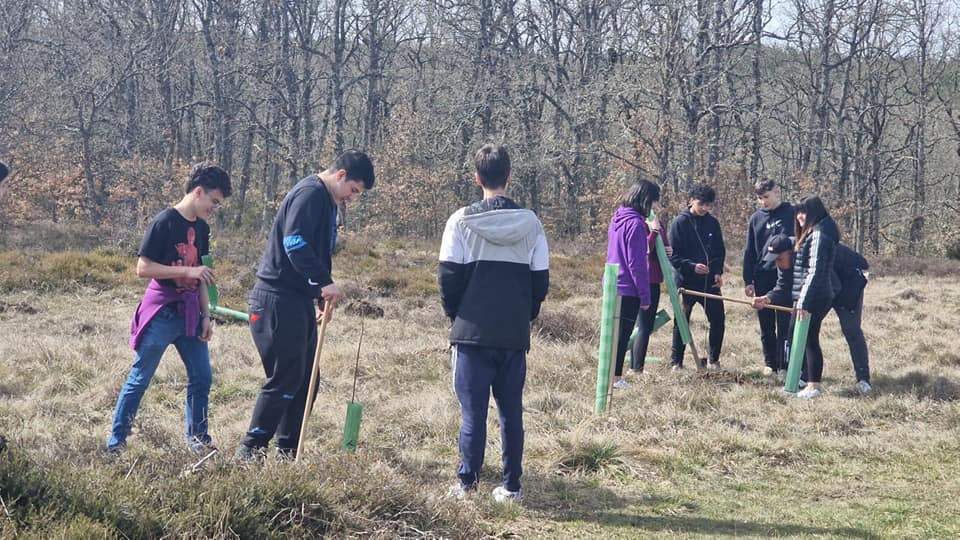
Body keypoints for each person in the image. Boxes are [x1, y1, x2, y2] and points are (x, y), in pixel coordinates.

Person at [237, 150, 374, 461]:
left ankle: (287, 452)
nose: (352, 198)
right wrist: (324, 282)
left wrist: (316, 296)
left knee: (307, 378)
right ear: (341, 175)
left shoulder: (327, 202)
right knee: (286, 376)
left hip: (297, 300)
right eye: (353, 190)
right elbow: (294, 243)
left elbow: (309, 250)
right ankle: (250, 450)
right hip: (275, 298)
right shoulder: (310, 193)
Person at [438, 144, 549, 503]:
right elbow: (540, 282)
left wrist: (456, 317)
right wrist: (524, 316)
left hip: (471, 334)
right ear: (509, 177)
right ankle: (512, 487)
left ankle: (467, 484)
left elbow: (448, 278)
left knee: (473, 413)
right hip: (513, 334)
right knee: (511, 413)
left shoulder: (459, 221)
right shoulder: (531, 223)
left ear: (476, 178)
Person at [107, 162, 232, 453]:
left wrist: (206, 316)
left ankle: (199, 443)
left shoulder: (202, 228)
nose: (215, 207)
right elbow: (143, 267)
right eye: (213, 201)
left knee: (202, 377)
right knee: (140, 378)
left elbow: (202, 274)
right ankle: (116, 444)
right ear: (198, 192)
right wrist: (188, 273)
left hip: (190, 315)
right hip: (161, 313)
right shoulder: (164, 221)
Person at [755, 234, 871, 395]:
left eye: (779, 259)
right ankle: (802, 376)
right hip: (822, 287)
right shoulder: (785, 263)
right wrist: (767, 298)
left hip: (848, 280)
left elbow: (833, 287)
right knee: (798, 327)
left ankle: (863, 380)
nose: (777, 264)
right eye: (774, 260)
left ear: (791, 252)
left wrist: (807, 306)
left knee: (850, 329)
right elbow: (783, 286)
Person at [606, 179, 657, 389]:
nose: (656, 207)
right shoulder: (635, 224)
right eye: (654, 201)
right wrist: (645, 296)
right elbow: (637, 264)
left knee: (613, 335)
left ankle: (609, 375)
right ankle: (616, 379)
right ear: (645, 200)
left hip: (612, 284)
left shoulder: (617, 218)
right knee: (623, 335)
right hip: (628, 288)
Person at [668, 184, 726, 369]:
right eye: (701, 204)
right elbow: (673, 256)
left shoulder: (713, 223)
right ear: (691, 200)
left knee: (718, 319)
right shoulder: (679, 223)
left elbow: (719, 251)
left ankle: (713, 360)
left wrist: (717, 271)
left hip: (709, 283)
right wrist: (691, 267)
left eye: (708, 205)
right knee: (682, 321)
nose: (704, 208)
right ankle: (676, 362)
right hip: (686, 281)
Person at [742, 179, 794, 377]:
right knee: (766, 324)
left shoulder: (791, 212)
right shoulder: (756, 218)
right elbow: (749, 250)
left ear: (776, 192)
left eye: (767, 197)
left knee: (784, 323)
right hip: (762, 274)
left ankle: (784, 364)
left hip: (785, 274)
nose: (764, 201)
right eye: (760, 198)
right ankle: (770, 363)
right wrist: (748, 279)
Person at [630, 191, 673, 375]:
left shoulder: (657, 222)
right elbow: (644, 248)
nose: (657, 205)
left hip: (655, 278)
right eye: (654, 202)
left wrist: (668, 249)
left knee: (644, 325)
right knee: (643, 325)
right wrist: (653, 231)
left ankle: (635, 365)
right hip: (644, 278)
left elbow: (662, 245)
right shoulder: (641, 222)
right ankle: (636, 368)